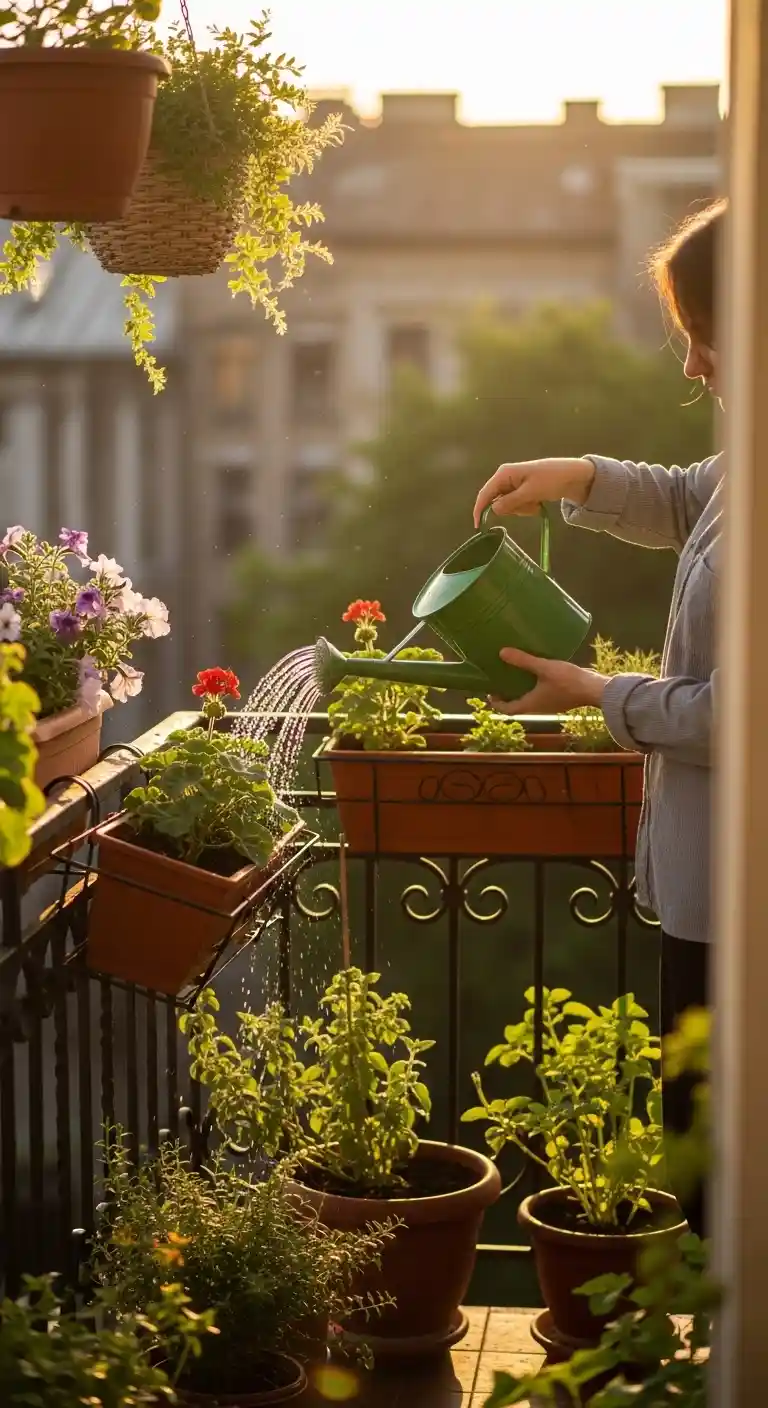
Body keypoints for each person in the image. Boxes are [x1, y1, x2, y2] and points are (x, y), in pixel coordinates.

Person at [472, 198, 726, 1238]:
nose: (690, 368)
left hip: (740, 911)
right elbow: (684, 496)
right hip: (706, 889)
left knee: (718, 1185)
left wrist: (596, 695)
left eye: (699, 339)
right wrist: (576, 474)